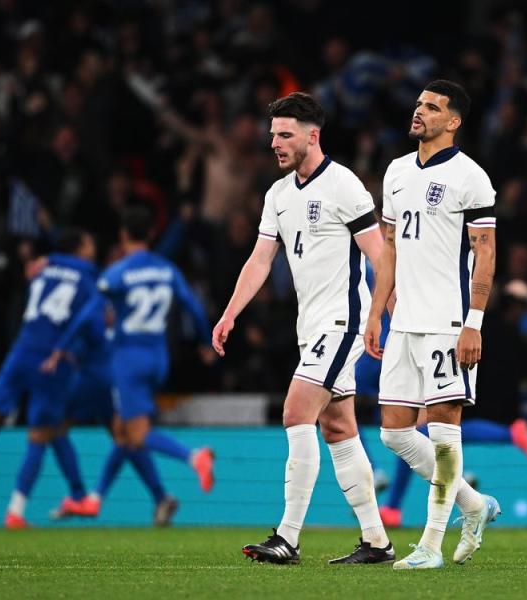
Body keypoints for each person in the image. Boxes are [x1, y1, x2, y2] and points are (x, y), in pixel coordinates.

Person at [212, 92, 394, 565]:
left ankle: (288, 537)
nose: (275, 142)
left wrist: (383, 317)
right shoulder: (277, 194)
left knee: (296, 411)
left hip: (342, 321)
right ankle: (377, 540)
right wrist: (230, 313)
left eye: (285, 134)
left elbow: (379, 257)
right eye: (273, 134)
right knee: (338, 427)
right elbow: (259, 260)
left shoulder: (345, 186)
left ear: (313, 136)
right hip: (309, 326)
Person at [366, 79, 500, 570]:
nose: (419, 112)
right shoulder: (397, 171)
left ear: (454, 121)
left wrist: (474, 323)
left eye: (432, 107)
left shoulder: (472, 177)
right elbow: (391, 249)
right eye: (419, 104)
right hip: (405, 323)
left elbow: (485, 253)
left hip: (449, 321)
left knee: (445, 431)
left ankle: (429, 546)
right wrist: (377, 311)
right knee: (393, 433)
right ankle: (473, 504)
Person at [44, 205, 217, 518]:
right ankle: (94, 499)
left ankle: (195, 457)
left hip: (128, 360)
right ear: (151, 234)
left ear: (123, 235)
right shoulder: (166, 269)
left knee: (136, 434)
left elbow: (87, 315)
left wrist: (60, 348)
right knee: (123, 431)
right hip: (158, 357)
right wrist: (207, 342)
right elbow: (192, 305)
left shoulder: (117, 273)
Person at [0, 229, 99, 527]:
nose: (93, 250)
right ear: (79, 248)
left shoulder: (43, 268)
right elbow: (89, 320)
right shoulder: (88, 277)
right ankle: (16, 510)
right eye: (89, 244)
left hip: (21, 351)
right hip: (52, 360)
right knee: (41, 435)